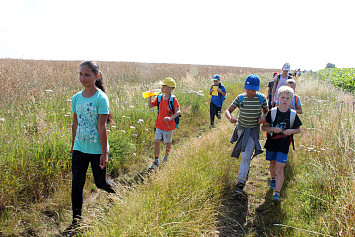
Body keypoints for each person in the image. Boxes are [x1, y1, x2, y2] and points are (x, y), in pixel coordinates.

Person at [64, 61, 117, 235]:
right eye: (80, 74)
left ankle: (116, 192)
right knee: (76, 185)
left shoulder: (101, 98)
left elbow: (102, 127)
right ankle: (76, 222)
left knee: (100, 183)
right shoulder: (76, 98)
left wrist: (104, 153)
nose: (82, 78)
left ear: (97, 76)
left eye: (87, 74)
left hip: (97, 151)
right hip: (79, 148)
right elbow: (75, 123)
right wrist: (73, 147)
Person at [225, 74, 269, 194]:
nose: (250, 91)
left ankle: (240, 183)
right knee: (244, 154)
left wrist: (263, 118)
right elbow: (228, 111)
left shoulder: (261, 98)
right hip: (241, 129)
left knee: (245, 156)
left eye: (253, 89)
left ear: (257, 88)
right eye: (248, 89)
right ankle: (245, 171)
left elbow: (266, 112)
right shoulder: (240, 98)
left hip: (253, 131)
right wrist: (230, 118)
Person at [262, 86, 302, 204]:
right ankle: (272, 178)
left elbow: (298, 129)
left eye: (288, 98)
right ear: (278, 98)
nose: (284, 100)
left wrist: (291, 131)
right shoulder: (272, 112)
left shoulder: (293, 114)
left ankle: (277, 194)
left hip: (284, 144)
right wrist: (273, 128)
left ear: (291, 100)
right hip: (272, 143)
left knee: (280, 168)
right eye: (282, 97)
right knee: (272, 164)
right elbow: (264, 127)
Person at [148, 77, 181, 170]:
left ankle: (166, 156)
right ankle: (156, 160)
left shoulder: (173, 100)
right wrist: (150, 97)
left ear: (170, 88)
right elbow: (150, 106)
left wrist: (170, 118)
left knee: (168, 142)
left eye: (164, 86)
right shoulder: (159, 97)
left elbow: (178, 112)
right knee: (156, 141)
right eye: (162, 86)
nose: (162, 87)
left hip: (168, 126)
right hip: (159, 125)